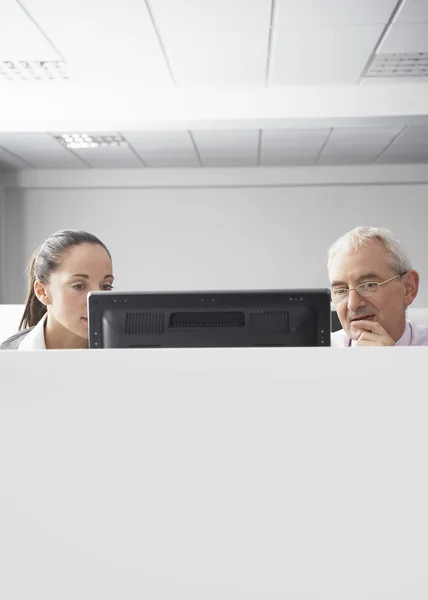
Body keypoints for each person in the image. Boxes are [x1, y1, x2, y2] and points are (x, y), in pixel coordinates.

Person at [0, 230, 114, 350]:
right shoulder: (7, 358)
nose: (97, 300)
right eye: (79, 286)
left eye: (106, 286)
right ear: (42, 292)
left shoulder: (127, 354)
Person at [328, 225, 428, 347]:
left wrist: (392, 363)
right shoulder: (316, 354)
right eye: (341, 291)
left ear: (408, 288)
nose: (353, 305)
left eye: (368, 285)